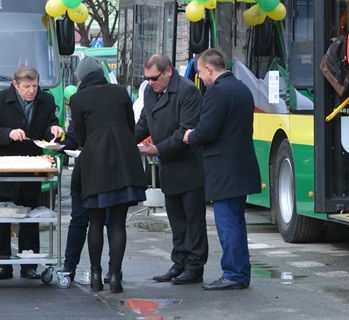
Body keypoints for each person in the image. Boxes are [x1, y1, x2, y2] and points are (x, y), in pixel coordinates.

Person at [0, 65, 65, 281]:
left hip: (31, 169)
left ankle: (29, 265)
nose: (31, 91)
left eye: (35, 86)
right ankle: (2, 266)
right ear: (15, 84)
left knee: (30, 221)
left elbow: (49, 125)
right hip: (2, 169)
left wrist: (55, 130)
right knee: (0, 220)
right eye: (26, 87)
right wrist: (8, 133)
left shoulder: (45, 100)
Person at [184, 48, 261, 290]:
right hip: (240, 165)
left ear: (208, 68)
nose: (201, 78)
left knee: (228, 224)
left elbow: (207, 130)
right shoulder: (241, 88)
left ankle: (233, 274)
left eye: (200, 73)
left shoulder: (217, 93)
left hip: (223, 170)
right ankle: (239, 272)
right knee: (236, 222)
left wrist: (190, 136)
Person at [69, 56, 146, 294]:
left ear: (80, 77)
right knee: (118, 223)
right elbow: (130, 127)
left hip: (95, 166)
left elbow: (80, 137)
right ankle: (115, 275)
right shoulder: (120, 92)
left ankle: (95, 274)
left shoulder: (78, 99)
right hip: (124, 163)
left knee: (95, 221)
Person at [135, 54, 207, 285]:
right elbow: (144, 123)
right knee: (176, 220)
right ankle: (180, 262)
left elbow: (186, 131)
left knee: (193, 220)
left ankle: (195, 266)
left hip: (188, 165)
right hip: (168, 166)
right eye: (147, 79)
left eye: (154, 78)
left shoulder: (187, 91)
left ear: (168, 72)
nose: (150, 83)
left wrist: (157, 149)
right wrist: (125, 141)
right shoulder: (150, 91)